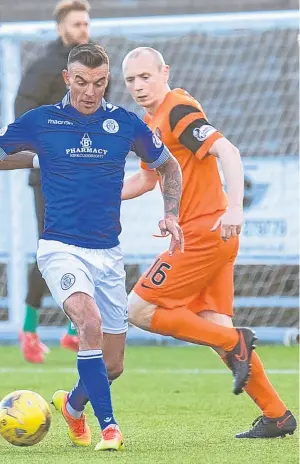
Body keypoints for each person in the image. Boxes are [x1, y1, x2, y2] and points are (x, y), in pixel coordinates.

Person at [0, 43, 185, 451]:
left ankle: (72, 407)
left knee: (113, 363)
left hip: (108, 254)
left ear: (107, 81)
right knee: (88, 323)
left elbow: (168, 165)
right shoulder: (42, 121)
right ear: (68, 78)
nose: (90, 92)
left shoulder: (124, 123)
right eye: (81, 82)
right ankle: (110, 427)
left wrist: (171, 213)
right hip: (60, 248)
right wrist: (34, 159)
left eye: (99, 83)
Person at [120, 47, 297, 439]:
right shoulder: (151, 122)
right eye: (131, 80)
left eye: (145, 76)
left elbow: (227, 150)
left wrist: (235, 206)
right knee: (214, 326)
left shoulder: (177, 110)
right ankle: (277, 415)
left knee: (139, 309)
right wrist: (98, 192)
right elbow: (146, 180)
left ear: (164, 72)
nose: (137, 86)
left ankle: (236, 341)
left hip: (203, 233)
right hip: (209, 237)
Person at [15, 0, 95, 362]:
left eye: (87, 23)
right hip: (48, 175)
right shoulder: (45, 66)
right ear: (62, 27)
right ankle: (29, 329)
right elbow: (23, 110)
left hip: (83, 174)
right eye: (78, 23)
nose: (84, 29)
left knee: (85, 246)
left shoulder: (92, 68)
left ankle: (72, 330)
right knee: (51, 247)